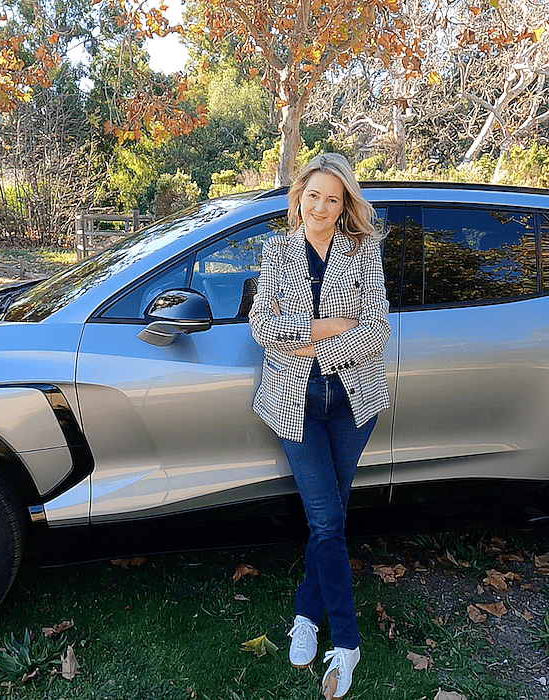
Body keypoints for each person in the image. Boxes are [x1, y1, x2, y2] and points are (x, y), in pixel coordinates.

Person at [248, 153, 391, 699]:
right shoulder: (277, 251)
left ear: (345, 204)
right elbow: (262, 328)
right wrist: (325, 326)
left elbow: (376, 327)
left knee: (327, 519)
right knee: (328, 520)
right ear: (299, 198)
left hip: (353, 401)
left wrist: (307, 343)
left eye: (334, 199)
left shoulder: (364, 251)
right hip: (294, 403)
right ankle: (348, 642)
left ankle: (307, 613)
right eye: (314, 196)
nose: (322, 208)